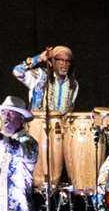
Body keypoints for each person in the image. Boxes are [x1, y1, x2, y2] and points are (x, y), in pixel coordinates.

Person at [13, 45, 79, 189]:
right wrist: (39, 58)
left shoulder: (73, 85)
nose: (64, 64)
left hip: (58, 133)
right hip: (36, 128)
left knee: (55, 176)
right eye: (59, 60)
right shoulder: (40, 76)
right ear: (51, 62)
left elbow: (68, 111)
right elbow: (17, 71)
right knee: (34, 173)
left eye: (67, 61)